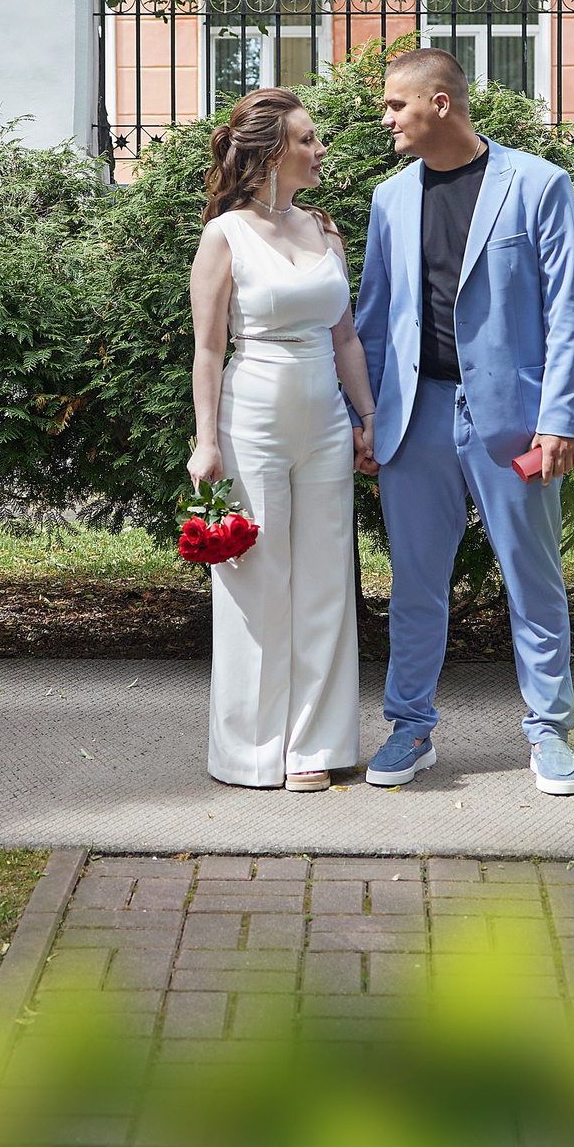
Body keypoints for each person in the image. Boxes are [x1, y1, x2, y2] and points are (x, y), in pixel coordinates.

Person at [353, 49, 574, 796]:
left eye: (396, 105)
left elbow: (567, 311)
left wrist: (561, 417)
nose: (386, 118)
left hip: (513, 420)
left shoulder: (539, 184)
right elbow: (368, 320)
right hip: (412, 417)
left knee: (533, 577)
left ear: (441, 104)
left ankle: (548, 731)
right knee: (416, 581)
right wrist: (365, 417)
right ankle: (410, 726)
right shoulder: (389, 199)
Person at [186, 88, 380, 791]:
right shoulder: (225, 236)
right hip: (252, 419)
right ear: (270, 152)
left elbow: (347, 336)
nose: (320, 148)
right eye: (307, 138)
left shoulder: (324, 229)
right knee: (256, 581)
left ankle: (314, 746)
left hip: (326, 418)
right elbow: (207, 350)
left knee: (328, 578)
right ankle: (250, 750)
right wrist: (205, 440)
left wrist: (368, 417)